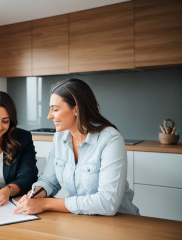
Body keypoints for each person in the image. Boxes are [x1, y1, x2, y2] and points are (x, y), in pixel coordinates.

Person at [14, 79, 139, 216]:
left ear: (76, 109)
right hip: (84, 220)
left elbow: (107, 203)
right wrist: (36, 194)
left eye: (55, 109)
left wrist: (46, 203)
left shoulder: (110, 140)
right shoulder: (59, 137)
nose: (49, 116)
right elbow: (49, 180)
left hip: (122, 221)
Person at [0, 91, 38, 207]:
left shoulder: (23, 139)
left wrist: (9, 190)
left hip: (12, 203)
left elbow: (28, 177)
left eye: (5, 121)